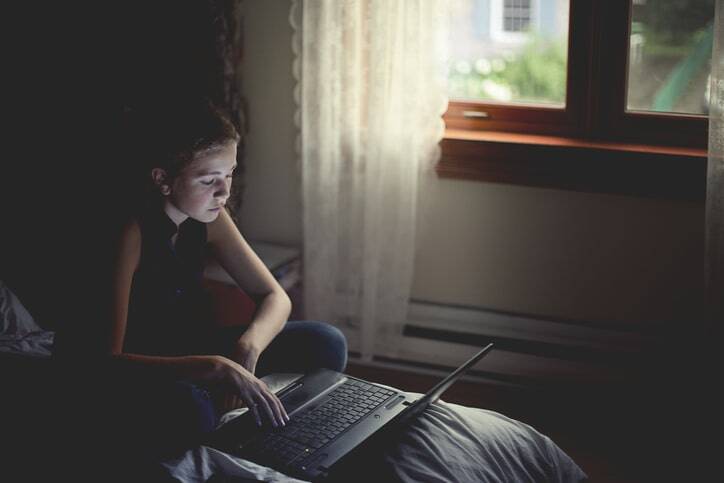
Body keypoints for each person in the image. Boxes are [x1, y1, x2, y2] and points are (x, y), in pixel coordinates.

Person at [61, 99, 348, 475]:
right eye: (209, 180)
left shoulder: (210, 218)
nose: (224, 192)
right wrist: (213, 367)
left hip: (198, 348)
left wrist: (248, 346)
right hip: (148, 369)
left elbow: (273, 295)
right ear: (163, 179)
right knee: (191, 410)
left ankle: (270, 422)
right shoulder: (129, 233)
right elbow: (104, 362)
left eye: (229, 175)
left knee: (327, 341)